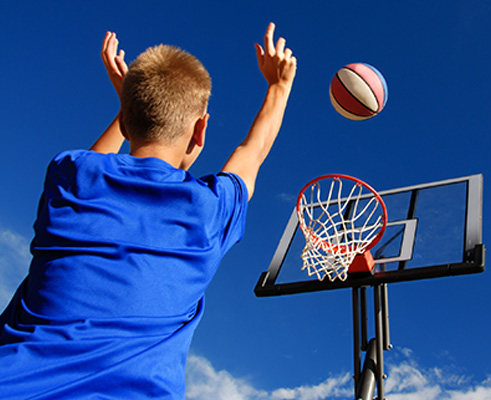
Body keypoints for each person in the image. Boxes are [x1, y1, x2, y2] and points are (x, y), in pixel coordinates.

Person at [0, 23, 296, 399]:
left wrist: (130, 103)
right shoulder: (209, 210)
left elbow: (96, 160)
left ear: (125, 121)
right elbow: (252, 151)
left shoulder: (70, 175)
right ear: (200, 131)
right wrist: (279, 86)